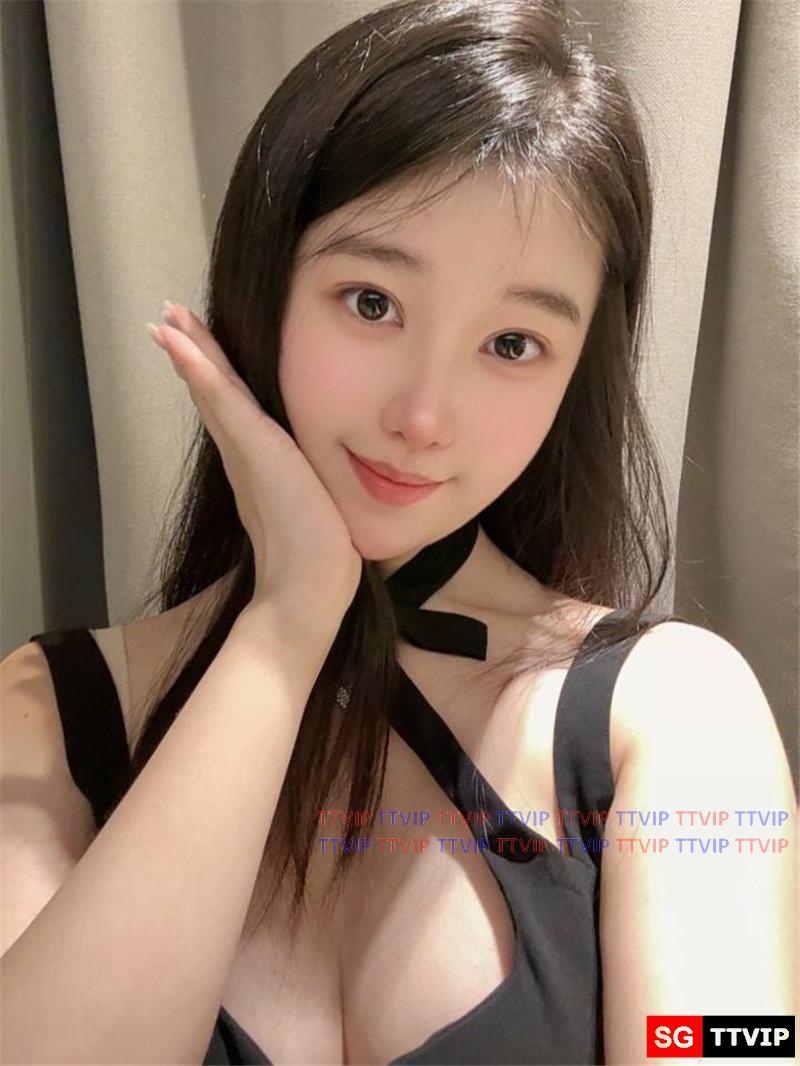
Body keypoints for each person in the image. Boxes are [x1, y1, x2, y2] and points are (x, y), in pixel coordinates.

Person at [1, 0, 796, 1063]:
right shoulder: (46, 714)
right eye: (371, 301)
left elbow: (729, 1045)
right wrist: (287, 621)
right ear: (263, 287)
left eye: (511, 343)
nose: (423, 417)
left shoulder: (677, 711)